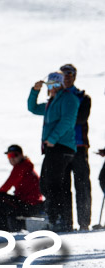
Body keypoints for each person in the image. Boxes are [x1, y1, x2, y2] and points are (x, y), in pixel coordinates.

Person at [27, 71, 79, 231]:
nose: (53, 87)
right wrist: (34, 91)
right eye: (50, 85)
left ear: (62, 84)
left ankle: (58, 219)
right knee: (46, 184)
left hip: (61, 146)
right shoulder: (52, 102)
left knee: (53, 184)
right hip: (52, 148)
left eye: (56, 84)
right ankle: (57, 217)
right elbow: (33, 108)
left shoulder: (68, 99)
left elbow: (68, 121)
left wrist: (53, 139)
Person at [60, 64, 92, 231]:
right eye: (63, 74)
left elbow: (80, 118)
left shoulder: (83, 97)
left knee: (82, 186)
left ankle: (84, 223)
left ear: (74, 76)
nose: (67, 76)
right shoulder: (56, 97)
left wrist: (64, 117)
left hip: (79, 146)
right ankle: (66, 223)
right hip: (61, 147)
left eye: (70, 74)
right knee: (63, 186)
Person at [0, 145, 44, 232]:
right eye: (9, 156)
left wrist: (1, 195)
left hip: (28, 205)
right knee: (5, 200)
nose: (12, 158)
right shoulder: (27, 166)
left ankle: (2, 228)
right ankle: (11, 225)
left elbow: (5, 187)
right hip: (33, 204)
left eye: (15, 155)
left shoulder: (20, 167)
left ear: (21, 155)